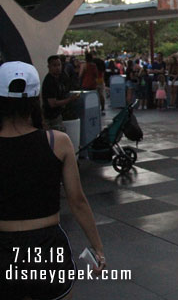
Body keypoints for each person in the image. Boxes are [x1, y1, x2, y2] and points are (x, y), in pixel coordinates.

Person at [0, 62, 106, 300]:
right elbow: (77, 201)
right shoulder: (57, 142)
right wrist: (97, 248)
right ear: (35, 97)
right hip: (46, 245)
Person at [42, 56, 80, 131]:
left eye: (59, 65)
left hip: (57, 115)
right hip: (51, 117)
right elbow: (53, 103)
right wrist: (70, 99)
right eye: (54, 65)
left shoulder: (60, 79)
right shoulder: (49, 82)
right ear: (49, 67)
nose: (57, 68)